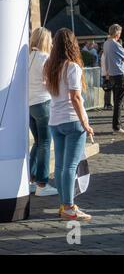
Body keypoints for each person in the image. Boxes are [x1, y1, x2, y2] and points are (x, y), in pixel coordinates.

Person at [43, 28, 94, 221]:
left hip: (55, 120)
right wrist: (86, 123)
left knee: (61, 167)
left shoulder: (49, 65)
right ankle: (69, 207)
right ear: (72, 44)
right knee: (70, 166)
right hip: (72, 120)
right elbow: (76, 97)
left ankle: (64, 205)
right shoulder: (73, 67)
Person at [28, 27, 58, 197]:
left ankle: (30, 180)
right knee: (45, 144)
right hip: (44, 103)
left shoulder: (28, 58)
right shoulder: (46, 58)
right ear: (45, 41)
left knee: (38, 143)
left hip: (31, 105)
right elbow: (49, 83)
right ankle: (42, 184)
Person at [103, 24, 124, 135]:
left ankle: (116, 126)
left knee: (116, 101)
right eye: (119, 33)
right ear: (117, 33)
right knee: (119, 102)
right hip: (120, 74)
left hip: (112, 75)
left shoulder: (105, 43)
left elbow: (106, 59)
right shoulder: (115, 44)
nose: (120, 35)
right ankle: (117, 127)